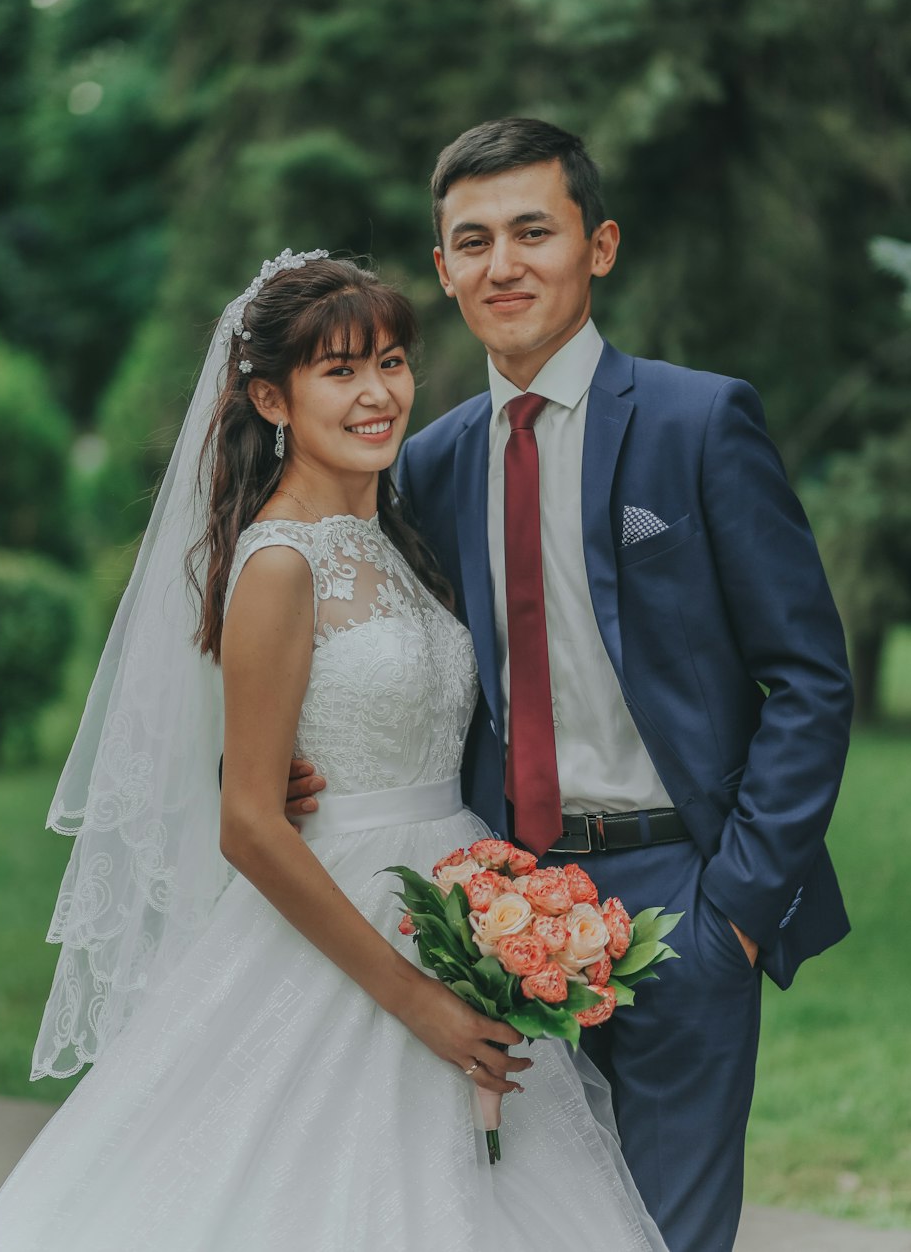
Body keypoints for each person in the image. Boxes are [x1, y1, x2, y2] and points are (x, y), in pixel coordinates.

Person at [0, 252, 668, 1252]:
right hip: (348, 926)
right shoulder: (280, 562)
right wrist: (417, 1000)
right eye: (338, 371)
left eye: (389, 360)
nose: (377, 393)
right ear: (269, 396)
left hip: (455, 896)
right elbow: (250, 822)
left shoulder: (389, 532)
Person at [288, 120, 854, 1252]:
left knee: (669, 1237)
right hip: (493, 906)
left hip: (683, 895)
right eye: (473, 240)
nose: (504, 264)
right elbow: (386, 646)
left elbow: (807, 677)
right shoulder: (432, 463)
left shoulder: (700, 423)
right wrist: (299, 761)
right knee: (517, 1220)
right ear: (442, 268)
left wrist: (734, 909)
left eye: (532, 232)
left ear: (596, 247)